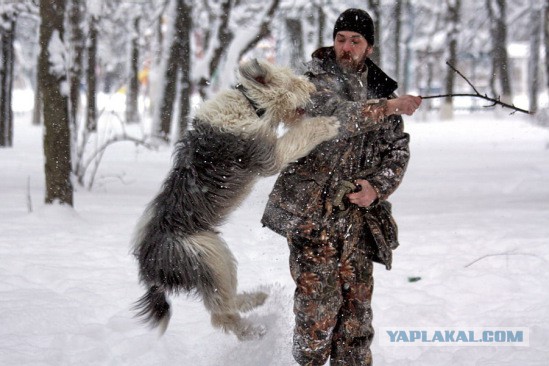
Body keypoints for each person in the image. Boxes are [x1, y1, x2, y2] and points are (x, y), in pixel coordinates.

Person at [261, 8, 422, 366]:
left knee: (356, 323)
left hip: (359, 223)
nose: (346, 47)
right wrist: (390, 106)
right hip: (312, 218)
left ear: (369, 47)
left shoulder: (381, 88)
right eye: (341, 39)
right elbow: (336, 116)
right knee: (317, 317)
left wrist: (376, 188)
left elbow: (397, 149)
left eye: (355, 40)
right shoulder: (310, 81)